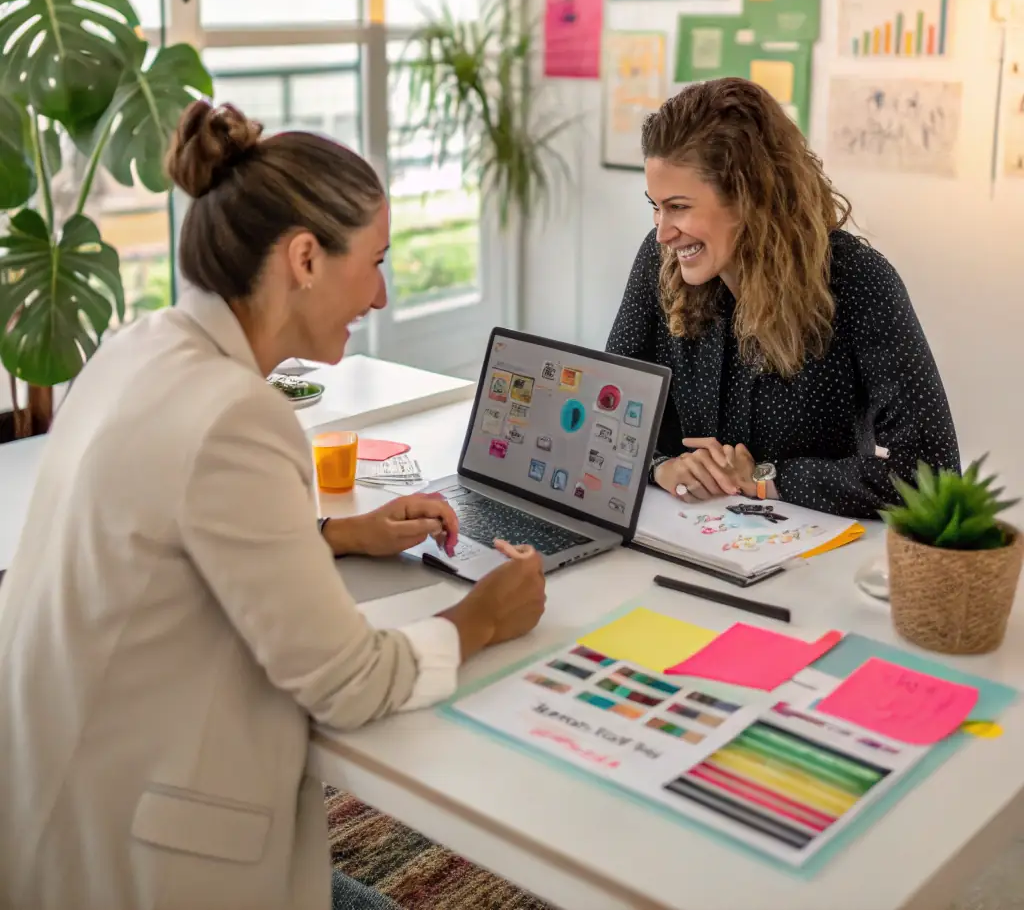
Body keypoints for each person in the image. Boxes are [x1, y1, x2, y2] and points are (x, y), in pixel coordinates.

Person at [0, 102, 546, 910]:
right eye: (375, 262)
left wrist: (333, 532)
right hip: (133, 864)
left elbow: (173, 536)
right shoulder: (235, 414)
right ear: (304, 257)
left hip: (53, 811)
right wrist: (485, 616)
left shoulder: (138, 347)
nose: (382, 294)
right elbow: (352, 682)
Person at [607, 78, 960, 519]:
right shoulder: (660, 259)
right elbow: (612, 413)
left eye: (679, 207)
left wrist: (765, 477)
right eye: (655, 206)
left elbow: (932, 474)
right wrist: (662, 467)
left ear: (748, 197)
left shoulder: (858, 282)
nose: (662, 231)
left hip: (815, 548)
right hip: (682, 533)